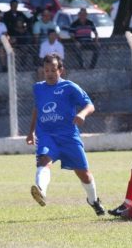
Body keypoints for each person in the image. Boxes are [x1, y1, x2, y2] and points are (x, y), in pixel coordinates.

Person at [26, 53, 106, 216]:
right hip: (47, 135)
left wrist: (82, 114)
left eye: (53, 70)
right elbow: (37, 109)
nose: (49, 73)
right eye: (46, 70)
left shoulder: (70, 87)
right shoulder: (38, 88)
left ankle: (94, 200)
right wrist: (31, 131)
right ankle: (41, 191)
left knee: (84, 174)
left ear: (61, 70)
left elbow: (89, 105)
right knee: (44, 161)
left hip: (69, 136)